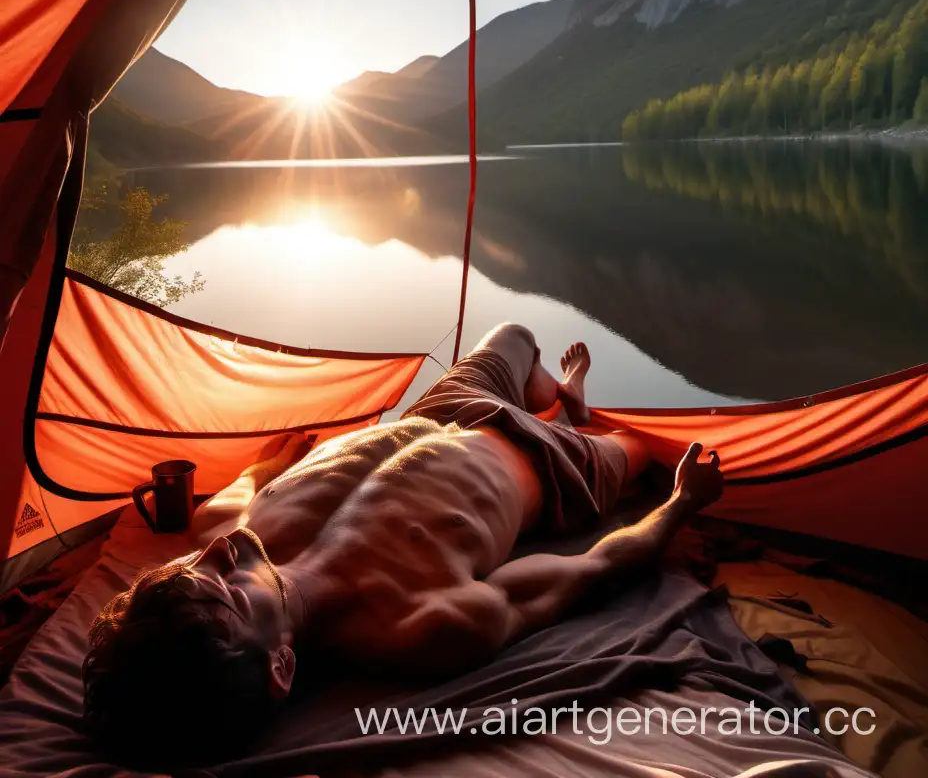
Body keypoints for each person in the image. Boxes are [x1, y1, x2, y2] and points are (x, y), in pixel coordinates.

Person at [83, 325, 723, 758]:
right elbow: (591, 570)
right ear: (280, 664)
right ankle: (569, 415)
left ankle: (561, 396)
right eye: (231, 591)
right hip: (551, 465)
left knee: (518, 337)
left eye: (195, 567)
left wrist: (269, 463)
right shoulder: (423, 621)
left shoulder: (220, 533)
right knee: (644, 450)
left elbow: (245, 484)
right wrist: (681, 503)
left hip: (439, 408)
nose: (220, 555)